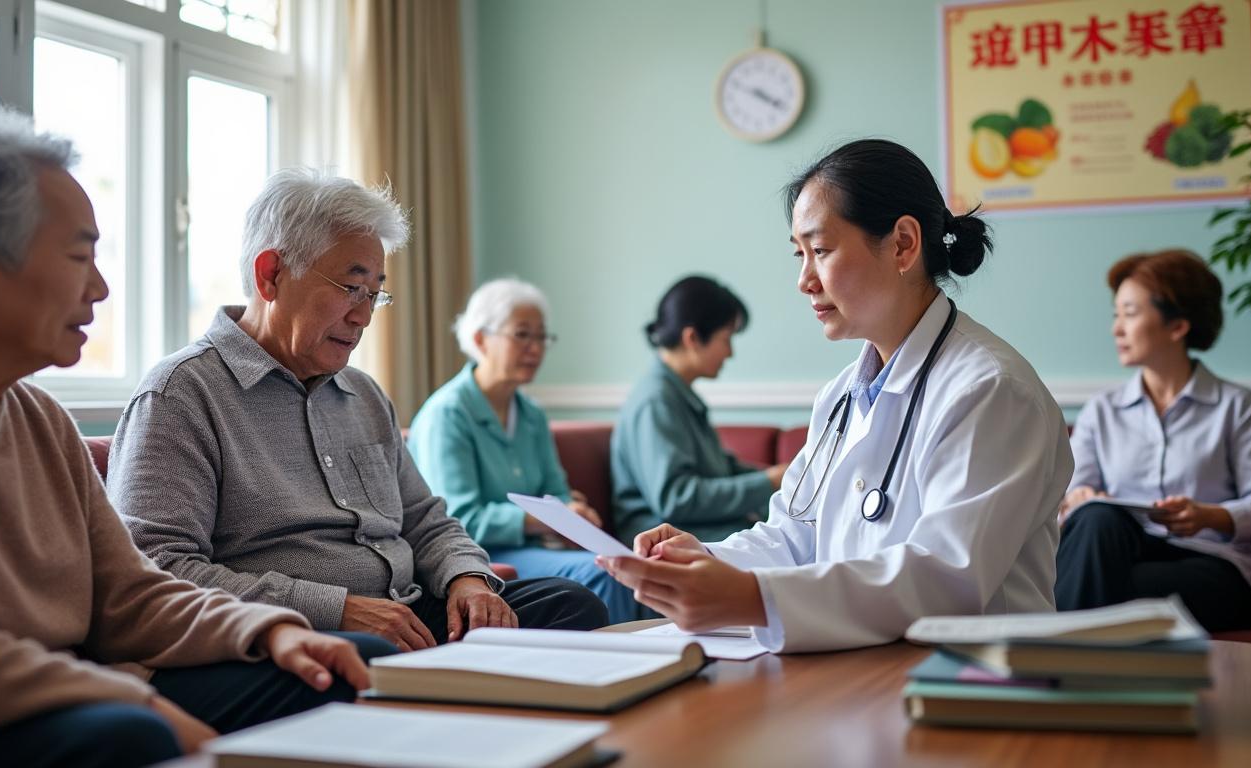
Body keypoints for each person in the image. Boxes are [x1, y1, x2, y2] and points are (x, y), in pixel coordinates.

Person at [0, 114, 385, 768]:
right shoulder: (179, 390)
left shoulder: (42, 420)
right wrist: (136, 699)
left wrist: (271, 632)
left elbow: (132, 593)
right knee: (129, 736)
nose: (100, 287)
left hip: (87, 694)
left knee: (344, 669)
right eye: (78, 257)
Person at [599, 139, 1074, 653]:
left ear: (903, 245)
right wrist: (707, 563)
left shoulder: (991, 390)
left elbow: (945, 579)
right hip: (859, 666)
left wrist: (754, 598)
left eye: (820, 250)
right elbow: (793, 536)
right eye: (799, 254)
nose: (804, 280)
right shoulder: (842, 396)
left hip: (970, 683)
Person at [109, 169, 607, 654]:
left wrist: (468, 578)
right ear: (271, 275)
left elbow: (425, 520)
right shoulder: (181, 394)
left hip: (408, 614)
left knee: (569, 605)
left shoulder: (364, 396)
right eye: (350, 288)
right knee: (361, 658)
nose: (364, 316)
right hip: (295, 634)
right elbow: (158, 568)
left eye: (374, 294)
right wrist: (336, 609)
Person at [1055, 250, 1251, 632]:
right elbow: (1075, 499)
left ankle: (1055, 669)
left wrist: (1211, 516)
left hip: (1211, 565)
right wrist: (1077, 499)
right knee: (1095, 518)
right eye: (1116, 315)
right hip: (1122, 553)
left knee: (1094, 585)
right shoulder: (1101, 410)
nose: (1117, 329)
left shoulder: (1238, 407)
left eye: (1130, 313)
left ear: (1177, 326)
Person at [409, 278, 652, 623]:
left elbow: (556, 489)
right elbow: (458, 517)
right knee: (607, 573)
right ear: (481, 339)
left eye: (541, 337)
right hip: (476, 554)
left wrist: (572, 511)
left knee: (630, 565)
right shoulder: (447, 415)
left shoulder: (532, 415)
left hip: (537, 549)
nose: (536, 348)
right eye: (522, 335)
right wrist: (539, 519)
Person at [611, 275, 788, 544]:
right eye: (726, 339)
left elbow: (721, 468)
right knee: (780, 543)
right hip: (661, 537)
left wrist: (781, 478)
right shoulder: (655, 400)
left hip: (693, 529)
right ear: (692, 338)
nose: (730, 353)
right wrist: (768, 482)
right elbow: (675, 498)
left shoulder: (677, 394)